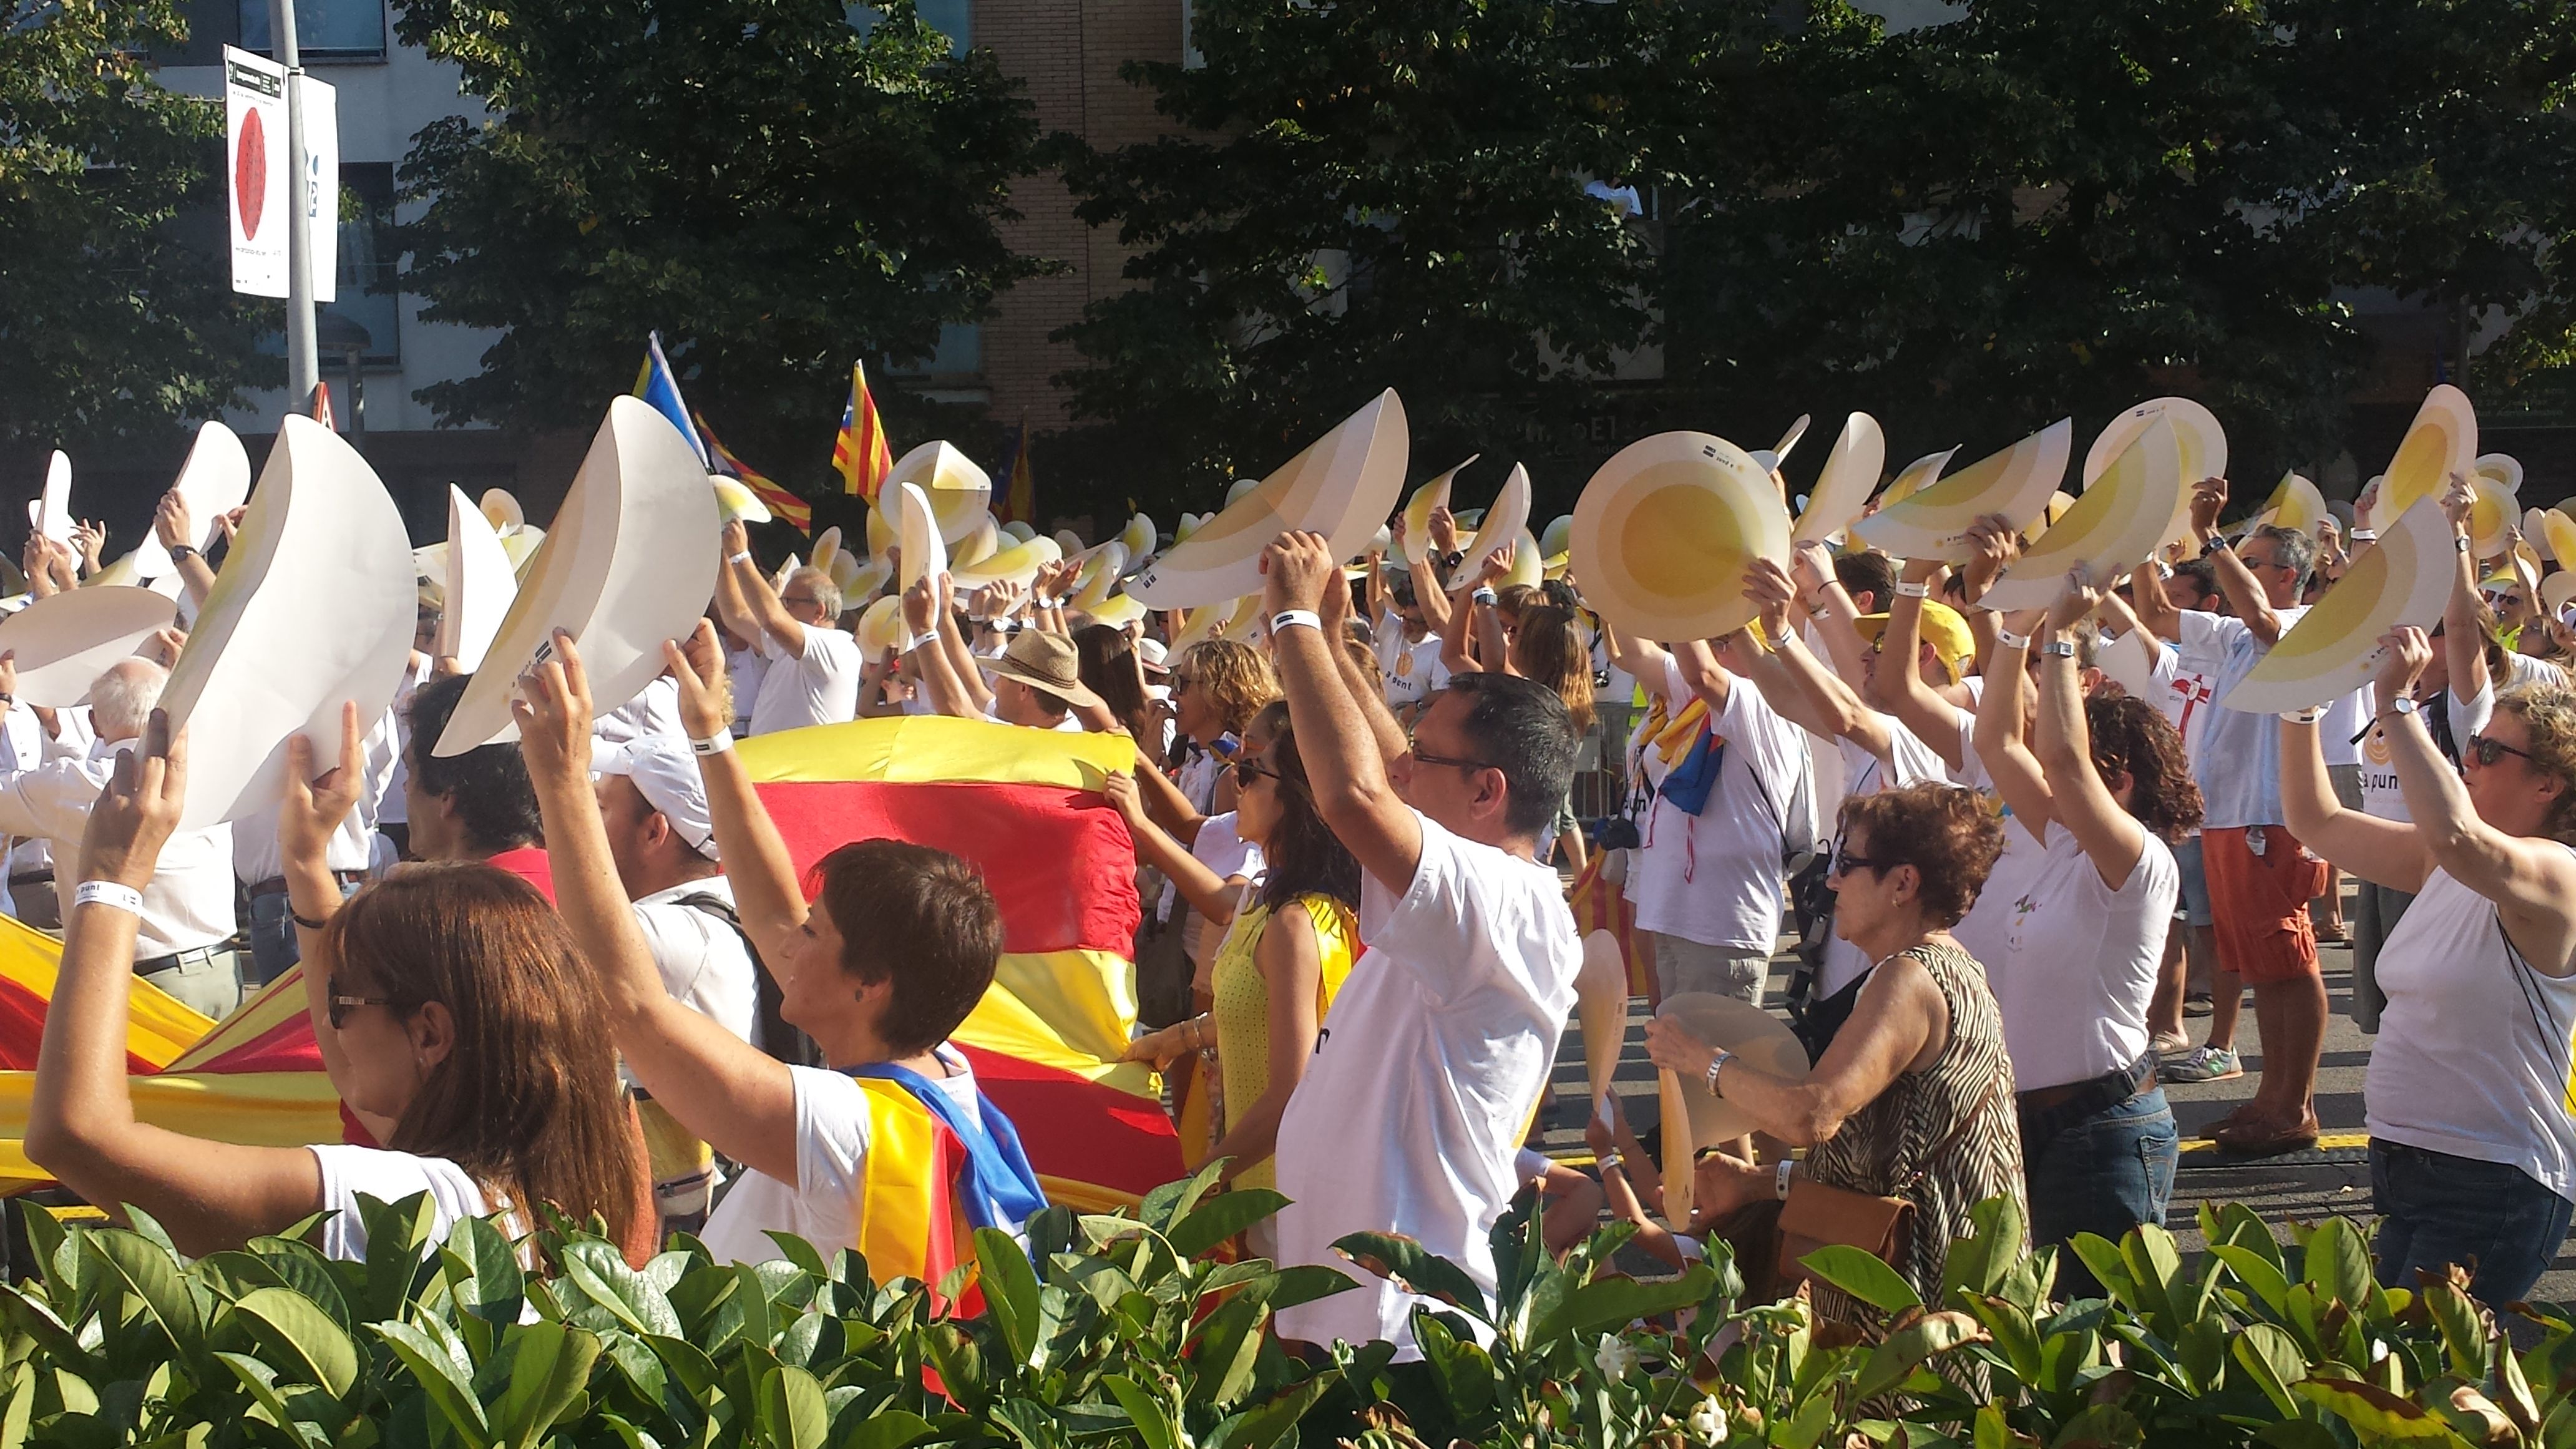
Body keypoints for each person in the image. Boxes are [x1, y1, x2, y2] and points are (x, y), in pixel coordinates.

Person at [24, 707, 642, 1261]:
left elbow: (77, 1136)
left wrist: (110, 879)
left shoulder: (407, 1205)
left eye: (342, 1004)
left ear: (430, 1034)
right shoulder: (576, 1167)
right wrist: (305, 862)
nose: (330, 1027)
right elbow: (355, 1077)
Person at [517, 623, 1043, 1272]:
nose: (788, 940)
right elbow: (770, 907)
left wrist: (563, 781)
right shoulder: (933, 1066)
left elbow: (633, 1008)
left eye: (815, 932)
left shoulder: (847, 1128)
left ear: (870, 981)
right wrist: (710, 733)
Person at [1257, 530, 1583, 1358]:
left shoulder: (1503, 901)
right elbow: (1394, 766)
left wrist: (1293, 622)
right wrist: (1334, 646)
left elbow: (1360, 795)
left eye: (1426, 755)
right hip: (1350, 1322)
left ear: (1487, 791)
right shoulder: (1475, 890)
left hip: (1404, 1337)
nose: (1406, 766)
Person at [1644, 783, 2025, 1320]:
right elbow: (1890, 1162)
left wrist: (1699, 1059)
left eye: (1847, 862)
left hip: (1919, 1299)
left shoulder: (1909, 979)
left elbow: (1814, 1113)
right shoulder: (1942, 968)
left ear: (1903, 883)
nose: (1831, 880)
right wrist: (1756, 1183)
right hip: (1936, 1280)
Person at [2281, 627, 2576, 1304]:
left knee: (2414, 1391)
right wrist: (2298, 710)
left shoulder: (2558, 876)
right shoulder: (2447, 862)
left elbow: (2457, 834)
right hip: (2407, 1163)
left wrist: (2395, 704)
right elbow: (2315, 821)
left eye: (2491, 750)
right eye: (2473, 744)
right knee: (2394, 1382)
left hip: (2492, 1177)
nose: (2469, 758)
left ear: (2549, 785)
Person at [1958, 573, 2199, 1293]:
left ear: (2115, 778)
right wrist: (2010, 633)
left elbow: (2058, 756)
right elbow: (1998, 740)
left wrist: (2059, 635)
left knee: (2105, 1344)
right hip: (2046, 1127)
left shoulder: (2138, 859)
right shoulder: (2067, 842)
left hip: (2105, 1130)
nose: (2051, 760)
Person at [1116, 715, 1361, 1251]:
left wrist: (1197, 1185)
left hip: (1286, 1197)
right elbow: (1258, 1014)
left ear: (1295, 801)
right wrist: (1174, 1039)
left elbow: (1291, 1091)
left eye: (1250, 773)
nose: (1235, 784)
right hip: (1260, 1182)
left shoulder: (1296, 922)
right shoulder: (1267, 896)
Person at [2130, 485, 2326, 1155]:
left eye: (2253, 558)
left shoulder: (2300, 624)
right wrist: (2139, 544)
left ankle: (2295, 1106)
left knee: (2289, 963)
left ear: (2286, 575)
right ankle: (2272, 1099)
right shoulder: (2233, 635)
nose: (2235, 565)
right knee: (2260, 966)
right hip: (2227, 819)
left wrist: (2211, 537)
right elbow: (2154, 613)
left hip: (2272, 816)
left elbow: (2268, 621)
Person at [0, 658, 239, 1018]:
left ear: (94, 723)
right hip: (224, 969)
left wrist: (4, 698)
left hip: (143, 983)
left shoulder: (75, 785)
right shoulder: (211, 768)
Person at [593, 735, 763, 1231]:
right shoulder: (729, 907)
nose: (588, 826)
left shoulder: (662, 935)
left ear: (654, 832)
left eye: (601, 809)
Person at [404, 672, 552, 898]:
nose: (405, 787)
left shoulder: (442, 914)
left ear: (446, 794)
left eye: (410, 770)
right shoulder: (581, 889)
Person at [713, 520, 862, 734]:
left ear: (819, 611)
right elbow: (736, 615)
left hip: (805, 766)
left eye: (789, 602)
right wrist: (723, 553)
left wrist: (740, 556)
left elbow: (772, 619)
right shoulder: (791, 647)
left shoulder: (839, 648)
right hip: (774, 761)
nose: (783, 607)